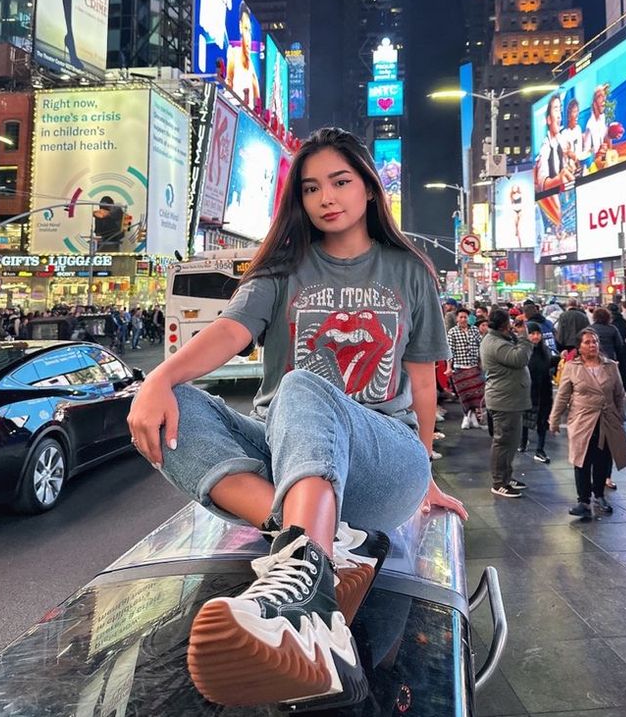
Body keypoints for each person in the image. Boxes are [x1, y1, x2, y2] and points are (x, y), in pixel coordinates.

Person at [127, 127, 467, 708]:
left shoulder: (409, 269)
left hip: (383, 459)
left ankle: (306, 585)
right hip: (290, 455)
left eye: (340, 182)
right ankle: (318, 547)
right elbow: (229, 334)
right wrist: (157, 378)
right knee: (169, 406)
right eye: (311, 189)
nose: (326, 198)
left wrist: (426, 470)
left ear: (368, 187)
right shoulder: (281, 271)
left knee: (303, 382)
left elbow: (420, 380)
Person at [549, 328, 626, 520]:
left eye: (594, 341)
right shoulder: (572, 367)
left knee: (603, 459)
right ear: (579, 347)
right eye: (587, 342)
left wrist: (619, 416)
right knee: (581, 460)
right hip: (582, 420)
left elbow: (619, 393)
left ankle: (599, 495)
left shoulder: (610, 366)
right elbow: (562, 396)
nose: (592, 345)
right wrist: (554, 419)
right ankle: (583, 500)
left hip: (607, 420)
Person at [480, 307, 533, 498]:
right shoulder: (496, 343)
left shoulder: (499, 339)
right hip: (504, 402)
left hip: (509, 400)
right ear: (504, 324)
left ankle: (506, 476)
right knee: (503, 442)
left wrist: (514, 334)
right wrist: (524, 337)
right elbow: (520, 358)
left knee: (510, 442)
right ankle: (499, 482)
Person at [519, 322, 558, 463]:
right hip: (527, 391)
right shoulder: (522, 350)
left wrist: (559, 359)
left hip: (543, 391)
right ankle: (522, 442)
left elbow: (547, 363)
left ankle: (540, 449)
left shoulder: (544, 349)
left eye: (538, 333)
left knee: (542, 421)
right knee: (525, 419)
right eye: (532, 333)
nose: (536, 337)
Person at [445, 307, 484, 428]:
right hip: (459, 369)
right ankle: (466, 418)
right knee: (464, 396)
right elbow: (450, 351)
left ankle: (470, 418)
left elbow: (481, 347)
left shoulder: (475, 331)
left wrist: (482, 364)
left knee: (476, 396)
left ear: (468, 318)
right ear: (457, 318)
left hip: (474, 367)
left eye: (465, 317)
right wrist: (448, 367)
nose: (463, 319)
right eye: (461, 317)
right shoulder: (452, 332)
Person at [534, 94, 575, 193]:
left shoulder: (562, 139)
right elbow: (542, 185)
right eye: (556, 110)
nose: (559, 117)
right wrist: (559, 179)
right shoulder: (545, 148)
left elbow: (569, 163)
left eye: (560, 111)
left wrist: (571, 162)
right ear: (548, 119)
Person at [226, 1, 261, 107]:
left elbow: (258, 104)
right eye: (246, 29)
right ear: (240, 27)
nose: (249, 38)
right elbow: (228, 86)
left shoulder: (252, 69)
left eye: (250, 31)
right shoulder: (233, 53)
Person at [582, 83, 624, 169]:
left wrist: (613, 133)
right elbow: (586, 158)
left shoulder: (603, 118)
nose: (604, 100)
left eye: (604, 96)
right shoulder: (590, 126)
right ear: (594, 103)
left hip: (605, 163)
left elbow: (606, 138)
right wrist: (596, 154)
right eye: (600, 96)